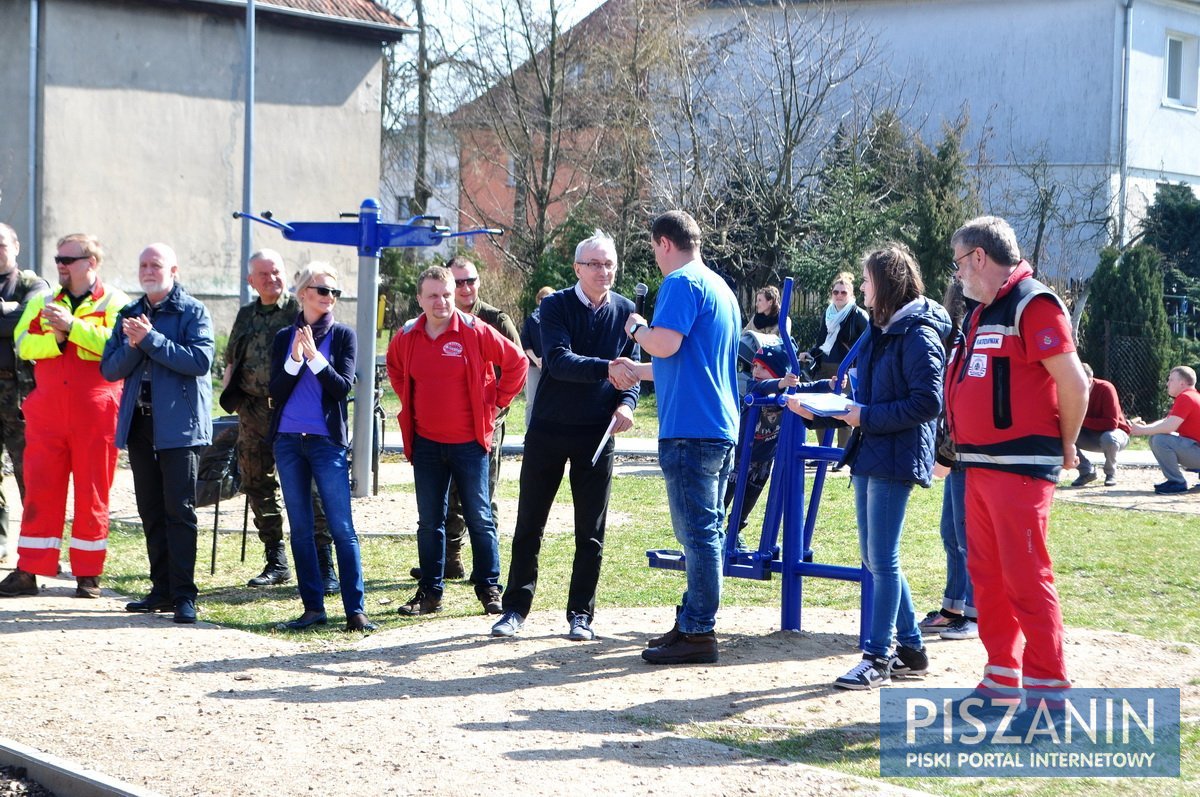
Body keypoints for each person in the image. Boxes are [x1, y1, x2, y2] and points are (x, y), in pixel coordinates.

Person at [790, 244, 949, 690]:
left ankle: (878, 657)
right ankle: (912, 649)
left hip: (893, 454)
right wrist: (820, 405)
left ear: (887, 282)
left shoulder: (917, 333)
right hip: (872, 447)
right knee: (875, 557)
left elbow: (927, 402)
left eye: (866, 279)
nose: (860, 286)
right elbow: (864, 391)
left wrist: (865, 417)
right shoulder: (884, 329)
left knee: (882, 557)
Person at [946, 216, 1087, 709]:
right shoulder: (980, 312)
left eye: (960, 262)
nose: (957, 273)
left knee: (1026, 577)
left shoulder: (1034, 302)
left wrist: (1067, 443)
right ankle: (1002, 675)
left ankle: (1049, 690)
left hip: (1021, 467)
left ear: (979, 257)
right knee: (986, 577)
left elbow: (1074, 384)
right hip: (979, 467)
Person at [490, 232, 639, 642]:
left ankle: (581, 616)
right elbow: (556, 361)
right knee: (530, 524)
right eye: (594, 264)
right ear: (577, 268)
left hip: (597, 434)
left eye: (609, 264)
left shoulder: (627, 312)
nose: (603, 271)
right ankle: (514, 610)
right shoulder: (553, 306)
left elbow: (634, 372)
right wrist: (609, 368)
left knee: (590, 531)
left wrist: (627, 403)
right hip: (549, 431)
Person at [611, 210, 740, 665]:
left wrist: (634, 328)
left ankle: (699, 631)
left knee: (698, 534)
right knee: (706, 531)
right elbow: (686, 359)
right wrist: (639, 371)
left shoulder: (682, 283)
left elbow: (664, 343)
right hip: (717, 424)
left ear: (664, 243)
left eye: (653, 249)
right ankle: (691, 620)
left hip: (691, 428)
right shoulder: (720, 286)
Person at [387, 265, 527, 617]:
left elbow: (517, 363)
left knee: (480, 517)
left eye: (447, 294)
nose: (442, 301)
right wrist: (412, 407)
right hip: (427, 445)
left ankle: (489, 587)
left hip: (470, 444)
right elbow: (395, 369)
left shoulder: (475, 330)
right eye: (433, 295)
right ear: (420, 299)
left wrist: (496, 403)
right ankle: (430, 593)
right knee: (429, 521)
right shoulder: (407, 336)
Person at [0, 234, 129, 600]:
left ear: (91, 262)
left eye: (68, 259)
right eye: (58, 258)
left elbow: (115, 346)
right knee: (41, 488)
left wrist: (72, 328)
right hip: (48, 410)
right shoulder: (42, 299)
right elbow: (24, 344)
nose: (60, 265)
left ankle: (89, 575)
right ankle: (29, 570)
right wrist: (55, 340)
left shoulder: (115, 300)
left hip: (96, 409)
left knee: (93, 492)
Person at [101, 243, 214, 624]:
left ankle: (184, 595)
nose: (148, 270)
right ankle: (161, 590)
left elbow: (199, 361)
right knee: (150, 510)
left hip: (180, 427)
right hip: (141, 424)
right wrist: (136, 344)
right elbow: (111, 369)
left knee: (178, 511)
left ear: (174, 270)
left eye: (156, 264)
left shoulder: (193, 310)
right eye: (143, 264)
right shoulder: (129, 313)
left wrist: (150, 340)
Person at [268, 263, 376, 633]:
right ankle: (312, 608)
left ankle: (355, 610)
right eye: (323, 290)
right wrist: (296, 357)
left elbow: (342, 387)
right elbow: (276, 391)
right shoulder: (284, 336)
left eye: (335, 292)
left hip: (326, 443)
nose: (330, 298)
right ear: (303, 294)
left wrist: (314, 357)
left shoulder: (344, 336)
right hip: (287, 441)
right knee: (300, 529)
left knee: (341, 527)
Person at [222, 249, 336, 592]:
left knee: (310, 487)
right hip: (253, 412)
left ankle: (323, 562)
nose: (272, 279)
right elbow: (231, 360)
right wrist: (230, 394)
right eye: (264, 274)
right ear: (250, 280)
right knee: (256, 482)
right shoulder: (245, 315)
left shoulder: (299, 311)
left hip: (293, 411)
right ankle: (276, 559)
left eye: (276, 272)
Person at [922, 277, 978, 642]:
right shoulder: (955, 341)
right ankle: (953, 606)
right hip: (954, 450)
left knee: (966, 535)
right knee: (950, 532)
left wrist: (947, 452)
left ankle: (975, 613)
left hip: (966, 453)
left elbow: (962, 404)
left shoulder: (968, 340)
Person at [0, 224, 50, 562]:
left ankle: (38, 550)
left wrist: (14, 313)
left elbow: (28, 322)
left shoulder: (34, 284)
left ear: (16, 246)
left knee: (29, 474)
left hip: (20, 397)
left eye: (2, 243)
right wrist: (9, 311)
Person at [723, 343, 799, 547]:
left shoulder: (785, 396)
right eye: (754, 366)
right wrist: (780, 382)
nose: (756, 371)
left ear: (777, 371)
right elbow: (762, 387)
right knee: (724, 495)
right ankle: (712, 533)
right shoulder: (754, 388)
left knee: (748, 500)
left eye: (763, 368)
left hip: (764, 459)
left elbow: (807, 388)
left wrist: (829, 384)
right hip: (739, 456)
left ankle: (734, 531)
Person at [800, 272, 869, 453]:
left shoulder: (858, 315)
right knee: (820, 408)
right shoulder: (828, 314)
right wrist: (810, 353)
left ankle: (842, 453)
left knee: (844, 410)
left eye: (843, 293)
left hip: (846, 368)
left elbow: (869, 341)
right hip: (825, 367)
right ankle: (823, 451)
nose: (839, 296)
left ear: (852, 295)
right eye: (836, 292)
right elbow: (821, 341)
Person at [1129, 365, 1200, 494]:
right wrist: (1145, 428)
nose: (1167, 383)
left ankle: (1177, 482)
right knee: (1159, 437)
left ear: (1182, 383)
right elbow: (1167, 421)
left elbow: (1169, 427)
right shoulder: (1193, 396)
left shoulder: (1186, 398)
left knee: (1159, 440)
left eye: (1171, 380)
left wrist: (1143, 430)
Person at [1069, 363, 1131, 488]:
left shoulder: (1106, 388)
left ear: (1090, 379)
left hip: (1115, 434)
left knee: (1109, 438)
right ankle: (1087, 471)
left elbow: (1111, 423)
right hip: (1089, 435)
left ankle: (1110, 473)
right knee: (1057, 435)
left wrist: (1079, 420)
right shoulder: (1070, 391)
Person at [520, 285, 555, 427]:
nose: (545, 301)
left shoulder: (558, 319)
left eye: (549, 298)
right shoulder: (531, 321)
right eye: (542, 298)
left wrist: (548, 359)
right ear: (538, 300)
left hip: (553, 365)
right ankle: (529, 432)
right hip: (534, 365)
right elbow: (525, 343)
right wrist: (537, 360)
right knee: (532, 400)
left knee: (553, 399)